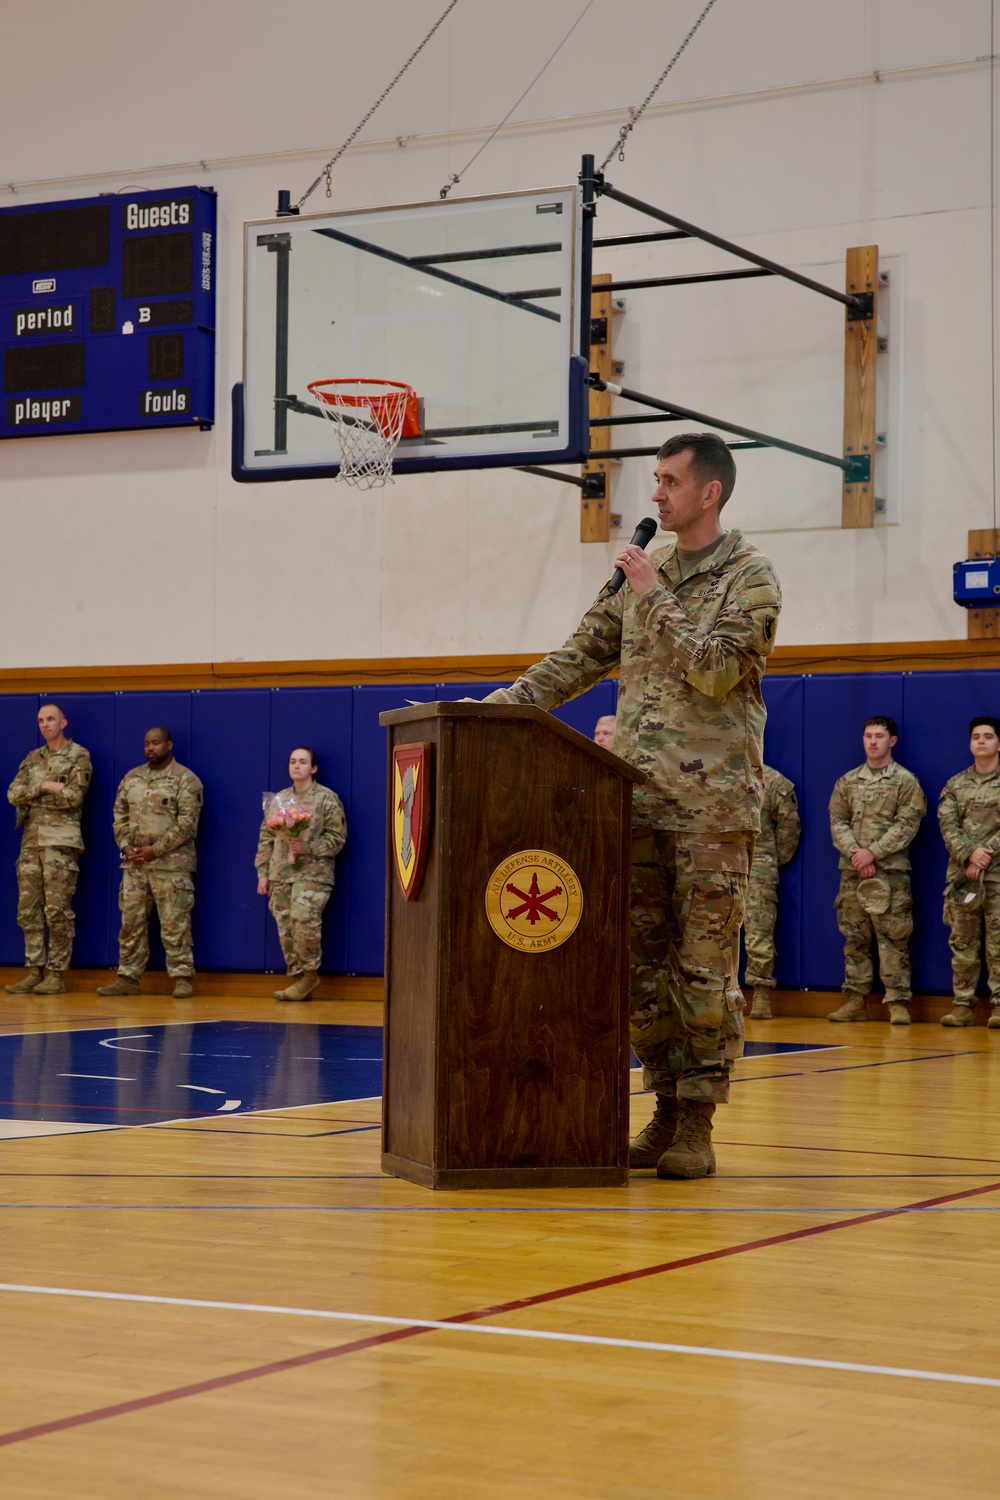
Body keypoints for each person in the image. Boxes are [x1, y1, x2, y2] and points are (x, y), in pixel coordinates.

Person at [480, 433, 781, 1178]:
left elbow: (716, 672)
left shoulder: (751, 577)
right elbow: (580, 655)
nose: (655, 495)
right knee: (642, 972)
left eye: (669, 481)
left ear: (708, 492)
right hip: (637, 805)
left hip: (712, 813)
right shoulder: (641, 577)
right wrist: (498, 707)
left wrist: (655, 594)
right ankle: (664, 1108)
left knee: (703, 969)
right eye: (655, 480)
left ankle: (699, 1123)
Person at [827, 716, 925, 1024]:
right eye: (868, 735)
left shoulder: (906, 782)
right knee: (854, 938)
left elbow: (907, 825)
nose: (873, 741)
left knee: (893, 939)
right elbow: (837, 821)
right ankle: (856, 1001)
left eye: (879, 736)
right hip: (852, 872)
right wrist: (857, 854)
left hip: (891, 873)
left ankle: (897, 1003)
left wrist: (874, 853)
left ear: (892, 741)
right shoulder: (847, 782)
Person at [97, 728, 203, 1000]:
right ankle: (128, 978)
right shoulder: (132, 778)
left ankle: (181, 978)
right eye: (146, 743)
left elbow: (187, 826)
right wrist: (124, 845)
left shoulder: (185, 780)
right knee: (131, 922)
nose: (150, 748)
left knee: (175, 923)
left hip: (171, 868)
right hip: (134, 867)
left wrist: (154, 850)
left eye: (155, 743)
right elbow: (118, 815)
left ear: (169, 744)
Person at [5, 703, 92, 996]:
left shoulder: (78, 755)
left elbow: (73, 797)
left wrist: (41, 793)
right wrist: (43, 787)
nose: (45, 724)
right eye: (41, 720)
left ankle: (56, 974)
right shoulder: (33, 758)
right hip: (31, 843)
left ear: (63, 723)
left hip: (60, 844)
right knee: (28, 910)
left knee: (57, 911)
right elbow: (13, 794)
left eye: (51, 719)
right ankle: (33, 970)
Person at [256, 747, 347, 1002]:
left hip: (313, 874)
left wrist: (308, 848)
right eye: (293, 762)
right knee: (285, 925)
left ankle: (309, 974)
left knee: (303, 919)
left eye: (303, 762)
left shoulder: (326, 799)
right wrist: (263, 873)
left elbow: (337, 838)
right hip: (281, 873)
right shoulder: (279, 800)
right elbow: (266, 838)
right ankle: (298, 979)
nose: (297, 766)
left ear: (313, 768)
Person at [937, 716, 1000, 1028]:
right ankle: (963, 1004)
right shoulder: (955, 785)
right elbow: (948, 826)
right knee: (962, 944)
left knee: (998, 943)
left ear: (998, 743)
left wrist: (985, 855)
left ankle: (999, 1005)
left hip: (997, 875)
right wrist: (969, 855)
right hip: (964, 877)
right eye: (976, 736)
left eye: (988, 736)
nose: (981, 741)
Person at [745, 764, 800, 1019]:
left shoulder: (774, 781)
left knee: (759, 933)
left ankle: (761, 993)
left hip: (759, 867)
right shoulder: (714, 772)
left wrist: (769, 859)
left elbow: (789, 826)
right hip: (715, 863)